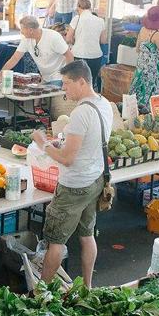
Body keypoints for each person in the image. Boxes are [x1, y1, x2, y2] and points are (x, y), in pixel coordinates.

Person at [31, 61, 112, 288]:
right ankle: (87, 288)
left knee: (55, 241)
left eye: (67, 84)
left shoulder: (80, 113)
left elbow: (67, 159)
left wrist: (43, 144)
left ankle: (41, 294)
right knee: (87, 235)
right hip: (95, 180)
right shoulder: (104, 104)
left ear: (82, 82)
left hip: (74, 186)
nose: (64, 89)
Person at [0, 16, 74, 85]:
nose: (21, 32)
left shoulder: (53, 37)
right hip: (45, 78)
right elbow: (14, 58)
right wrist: (0, 74)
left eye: (22, 29)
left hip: (58, 78)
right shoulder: (26, 39)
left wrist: (67, 76)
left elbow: (69, 55)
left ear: (30, 30)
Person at [66, 0, 106, 87]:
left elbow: (68, 38)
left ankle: (80, 100)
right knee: (90, 84)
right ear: (90, 7)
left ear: (78, 7)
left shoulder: (76, 19)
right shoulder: (100, 20)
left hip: (79, 55)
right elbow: (103, 41)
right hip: (96, 56)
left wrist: (74, 40)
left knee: (78, 83)